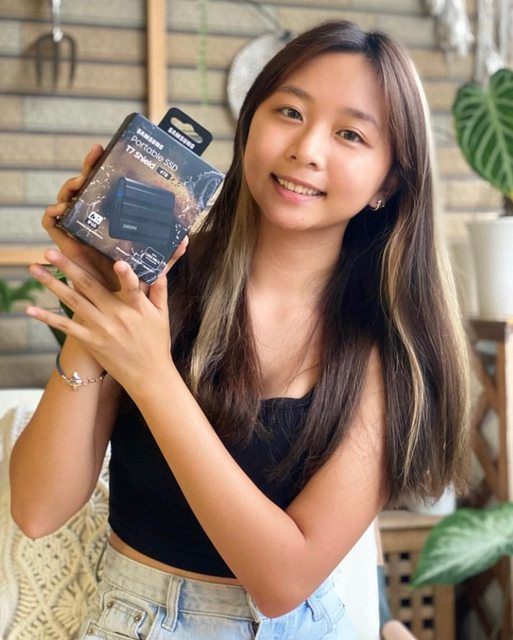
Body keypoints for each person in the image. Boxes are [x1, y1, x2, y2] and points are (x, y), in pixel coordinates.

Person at [9, 20, 469, 639]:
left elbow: (282, 582)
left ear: (388, 181)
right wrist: (99, 297)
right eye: (289, 111)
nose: (307, 148)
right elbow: (37, 508)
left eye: (350, 134)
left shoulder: (392, 349)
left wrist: (153, 376)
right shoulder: (163, 279)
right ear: (250, 124)